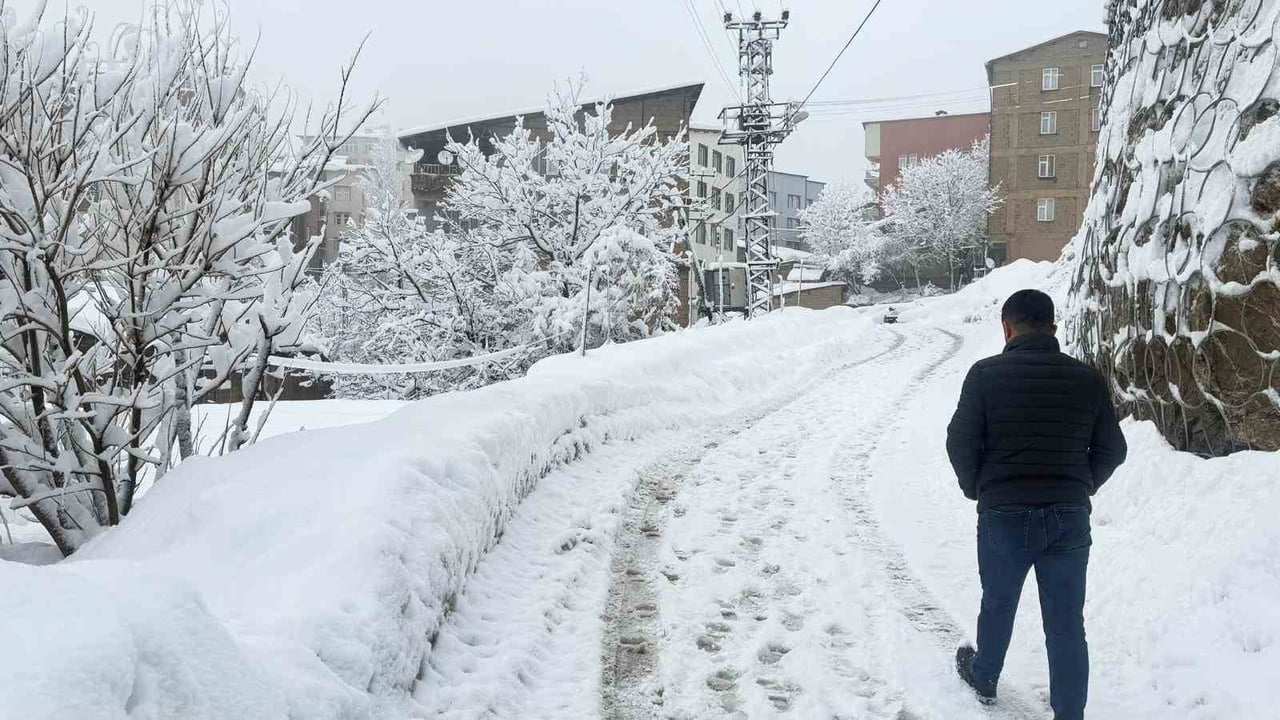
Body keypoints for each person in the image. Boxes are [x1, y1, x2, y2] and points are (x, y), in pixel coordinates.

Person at [945, 289, 1127, 720]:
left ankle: (985, 675)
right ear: (1053, 327)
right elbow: (1112, 449)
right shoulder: (1087, 379)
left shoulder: (985, 375)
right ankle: (1069, 713)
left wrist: (979, 489)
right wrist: (1081, 486)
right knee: (1066, 622)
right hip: (1067, 517)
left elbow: (959, 441)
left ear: (1006, 328)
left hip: (1003, 515)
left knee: (998, 601)